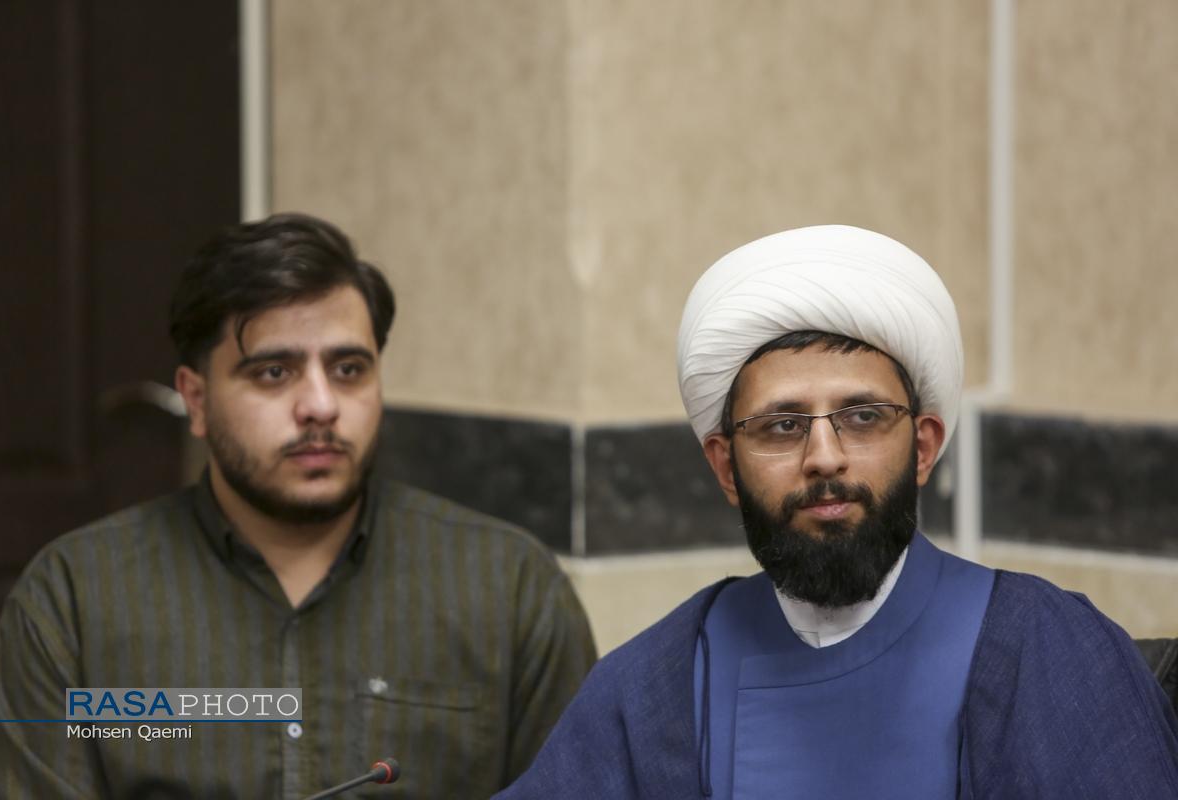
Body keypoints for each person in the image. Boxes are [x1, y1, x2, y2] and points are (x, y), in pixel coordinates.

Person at [495, 224, 1178, 799]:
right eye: (781, 426)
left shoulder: (1047, 649)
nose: (824, 458)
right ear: (726, 467)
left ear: (923, 447)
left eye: (862, 417)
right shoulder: (659, 684)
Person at [0, 213, 596, 798]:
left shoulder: (511, 591)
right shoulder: (72, 602)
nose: (321, 406)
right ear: (196, 400)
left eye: (349, 369)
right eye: (274, 372)